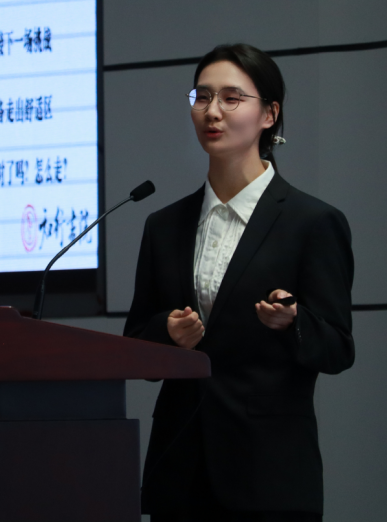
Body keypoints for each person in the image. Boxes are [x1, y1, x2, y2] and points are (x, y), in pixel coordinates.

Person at [123, 44, 355, 522]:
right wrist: (167, 333)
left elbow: (337, 348)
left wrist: (293, 322)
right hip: (180, 470)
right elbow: (136, 344)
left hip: (268, 472)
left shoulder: (313, 222)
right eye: (202, 96)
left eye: (232, 98)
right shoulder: (163, 226)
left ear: (269, 114)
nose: (212, 112)